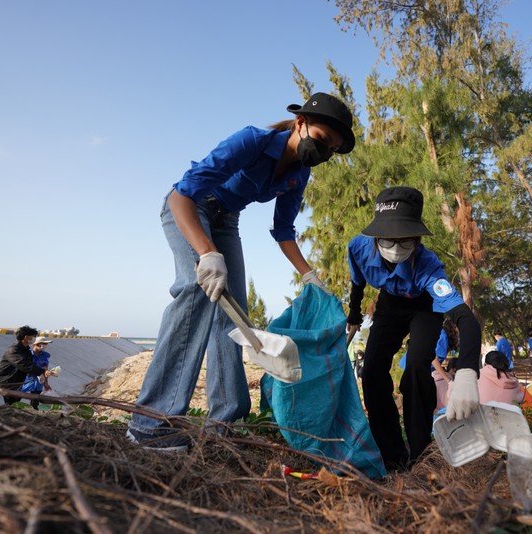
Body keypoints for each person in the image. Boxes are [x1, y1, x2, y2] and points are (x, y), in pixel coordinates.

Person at [127, 92, 356, 451]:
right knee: (196, 291)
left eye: (331, 150)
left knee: (235, 317)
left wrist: (310, 275)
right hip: (191, 208)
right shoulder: (252, 140)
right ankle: (153, 422)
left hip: (226, 220)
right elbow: (181, 195)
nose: (323, 153)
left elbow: (283, 230)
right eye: (322, 141)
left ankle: (226, 420)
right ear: (300, 123)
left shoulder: (300, 173)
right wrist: (206, 253)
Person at [346, 186, 482, 470]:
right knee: (371, 370)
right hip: (388, 306)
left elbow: (465, 319)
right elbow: (357, 283)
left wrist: (468, 371)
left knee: (418, 366)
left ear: (418, 238)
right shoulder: (358, 247)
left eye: (405, 240)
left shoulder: (428, 266)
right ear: (374, 236)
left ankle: (420, 452)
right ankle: (392, 454)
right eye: (388, 240)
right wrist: (354, 315)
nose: (396, 248)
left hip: (423, 306)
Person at [0, 326, 52, 405]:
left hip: (14, 385)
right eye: (33, 337)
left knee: (12, 407)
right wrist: (42, 371)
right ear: (26, 337)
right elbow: (23, 364)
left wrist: (44, 374)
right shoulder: (13, 350)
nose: (34, 339)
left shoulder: (27, 352)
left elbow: (31, 365)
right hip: (1, 382)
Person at [431, 318, 458, 413]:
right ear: (454, 327)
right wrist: (449, 381)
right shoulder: (443, 337)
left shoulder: (441, 334)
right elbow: (434, 360)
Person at [20, 337, 54, 409]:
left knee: (35, 403)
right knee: (17, 398)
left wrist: (46, 383)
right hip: (26, 381)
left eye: (46, 344)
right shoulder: (28, 354)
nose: (45, 346)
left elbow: (45, 369)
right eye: (44, 344)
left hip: (38, 382)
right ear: (37, 344)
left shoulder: (45, 355)